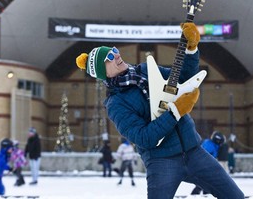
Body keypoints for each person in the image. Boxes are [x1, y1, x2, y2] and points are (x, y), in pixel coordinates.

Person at [76, 22, 244, 199]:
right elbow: (144, 138)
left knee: (235, 197)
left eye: (114, 50)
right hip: (161, 161)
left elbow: (182, 79)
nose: (116, 55)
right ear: (104, 73)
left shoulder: (146, 70)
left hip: (194, 151)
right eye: (109, 57)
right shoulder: (116, 104)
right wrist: (176, 111)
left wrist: (191, 49)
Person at [191, 131, 225, 195]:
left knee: (207, 183)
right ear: (217, 140)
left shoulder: (214, 145)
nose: (221, 144)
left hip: (206, 166)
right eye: (221, 142)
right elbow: (203, 155)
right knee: (202, 183)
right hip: (202, 166)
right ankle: (195, 195)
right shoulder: (209, 144)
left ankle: (205, 194)